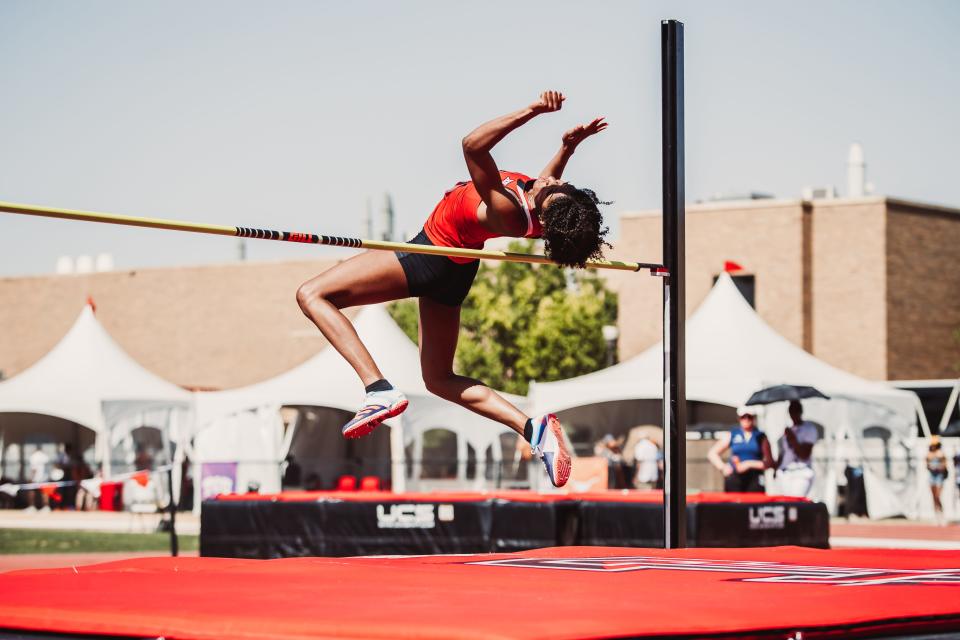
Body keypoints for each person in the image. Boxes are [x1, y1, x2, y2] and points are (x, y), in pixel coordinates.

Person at [296, 91, 610, 488]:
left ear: (543, 207)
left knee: (312, 294)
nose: (551, 179)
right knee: (439, 379)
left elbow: (472, 145)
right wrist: (567, 146)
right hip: (457, 269)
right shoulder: (536, 207)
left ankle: (378, 388)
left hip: (432, 255)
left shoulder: (509, 211)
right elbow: (548, 184)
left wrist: (532, 111)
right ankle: (533, 429)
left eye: (552, 188)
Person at [707, 406, 774, 493]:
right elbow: (712, 453)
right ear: (739, 418)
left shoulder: (760, 436)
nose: (746, 419)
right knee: (734, 505)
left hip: (754, 479)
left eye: (749, 417)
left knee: (754, 503)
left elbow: (769, 462)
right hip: (735, 479)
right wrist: (723, 468)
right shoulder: (733, 434)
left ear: (753, 418)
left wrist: (748, 464)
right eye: (743, 417)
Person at [775, 400, 819, 498]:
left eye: (796, 410)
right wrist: (776, 468)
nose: (793, 414)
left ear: (801, 411)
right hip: (785, 472)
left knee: (796, 502)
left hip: (801, 472)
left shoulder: (809, 428)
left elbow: (804, 454)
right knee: (786, 503)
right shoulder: (788, 430)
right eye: (791, 411)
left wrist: (792, 438)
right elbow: (783, 452)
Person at [927, 436, 948, 526]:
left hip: (939, 476)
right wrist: (930, 467)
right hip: (932, 477)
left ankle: (942, 515)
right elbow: (927, 465)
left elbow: (944, 466)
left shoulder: (941, 454)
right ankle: (936, 516)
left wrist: (938, 468)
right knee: (934, 497)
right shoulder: (929, 454)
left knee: (938, 496)